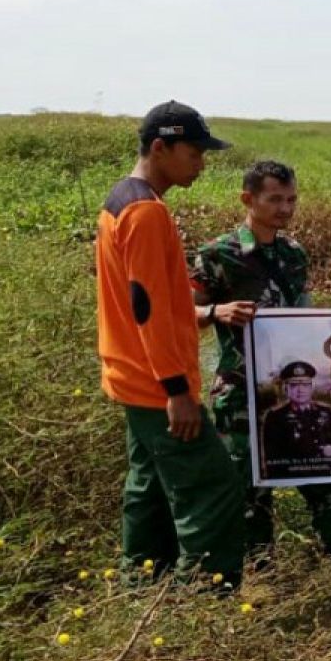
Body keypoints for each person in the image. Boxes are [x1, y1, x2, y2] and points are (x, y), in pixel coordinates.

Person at [95, 100, 244, 588]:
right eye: (194, 152)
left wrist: (201, 313)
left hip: (131, 379)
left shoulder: (121, 201)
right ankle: (205, 595)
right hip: (158, 386)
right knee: (214, 486)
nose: (201, 163)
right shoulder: (145, 213)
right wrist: (177, 390)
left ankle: (140, 582)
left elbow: (153, 300)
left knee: (149, 488)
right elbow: (148, 310)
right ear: (160, 148)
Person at [191, 161, 331, 570]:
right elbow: (182, 314)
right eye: (275, 199)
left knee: (323, 478)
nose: (285, 208)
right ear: (248, 199)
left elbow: (305, 315)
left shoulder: (293, 254)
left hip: (298, 388)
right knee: (249, 491)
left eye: (292, 200)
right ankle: (261, 576)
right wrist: (218, 311)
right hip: (241, 390)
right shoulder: (217, 254)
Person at [261, 360, 331, 471]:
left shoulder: (326, 411)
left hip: (324, 472)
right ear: (286, 389)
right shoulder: (275, 416)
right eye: (294, 385)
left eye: (305, 385)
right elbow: (272, 456)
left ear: (312, 388)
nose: (300, 390)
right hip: (293, 475)